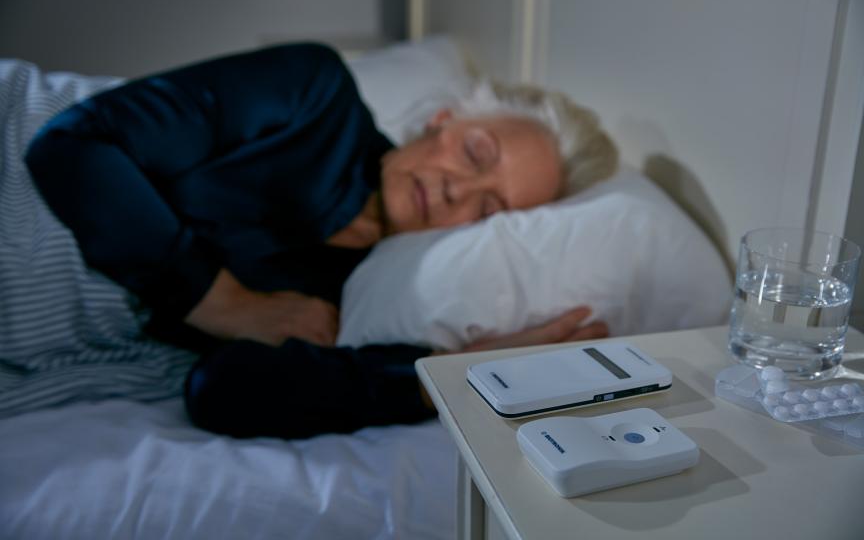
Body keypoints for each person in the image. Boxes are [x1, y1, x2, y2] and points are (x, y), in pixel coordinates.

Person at [24, 42, 617, 439]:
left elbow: (220, 394)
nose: (457, 188)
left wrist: (453, 374)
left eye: (489, 208)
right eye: (474, 152)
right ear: (443, 120)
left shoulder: (354, 295)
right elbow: (72, 146)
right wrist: (226, 303)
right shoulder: (315, 90)